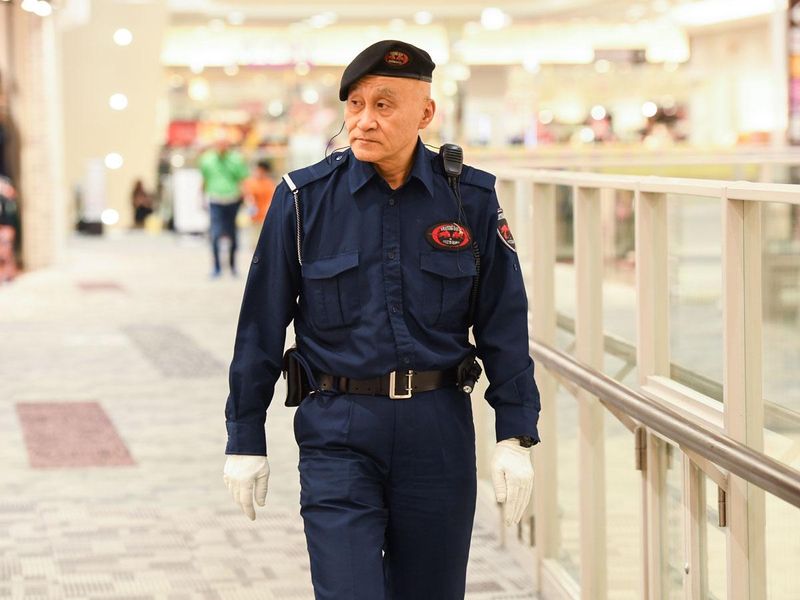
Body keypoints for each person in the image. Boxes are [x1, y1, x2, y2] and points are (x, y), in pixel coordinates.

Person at [222, 40, 540, 600]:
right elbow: (260, 327)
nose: (364, 120)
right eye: (355, 104)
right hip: (338, 431)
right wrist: (245, 436)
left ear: (425, 113)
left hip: (437, 433)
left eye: (384, 105)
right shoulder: (302, 201)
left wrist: (514, 433)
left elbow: (504, 323)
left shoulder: (470, 200)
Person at [198, 138, 249, 277]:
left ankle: (232, 266)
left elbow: (242, 180)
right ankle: (216, 267)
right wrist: (200, 197)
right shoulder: (207, 160)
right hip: (215, 200)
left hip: (233, 200)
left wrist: (247, 199)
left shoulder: (236, 159)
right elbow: (204, 180)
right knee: (215, 234)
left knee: (233, 234)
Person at [241, 159, 276, 249]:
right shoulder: (250, 182)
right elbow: (248, 197)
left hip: (266, 216)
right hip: (254, 216)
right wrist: (250, 204)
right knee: (255, 241)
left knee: (265, 241)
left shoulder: (269, 183)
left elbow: (272, 198)